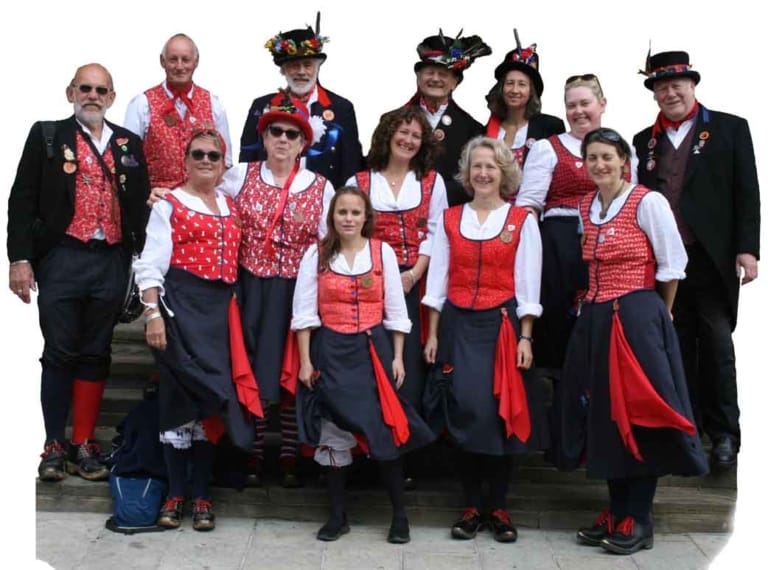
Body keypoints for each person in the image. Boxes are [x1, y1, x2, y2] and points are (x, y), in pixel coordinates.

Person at [561, 127, 707, 554]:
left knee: (641, 412)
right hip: (595, 317)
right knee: (605, 415)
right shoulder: (587, 206)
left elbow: (672, 264)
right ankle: (617, 509)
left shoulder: (648, 201)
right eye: (592, 158)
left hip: (637, 314)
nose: (599, 165)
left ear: (625, 160)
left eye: (607, 156)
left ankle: (639, 518)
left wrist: (658, 316)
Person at [7, 63, 150, 482]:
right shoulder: (47, 135)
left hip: (110, 258)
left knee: (96, 351)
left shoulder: (128, 142)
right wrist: (20, 258)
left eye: (101, 90)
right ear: (70, 92)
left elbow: (140, 200)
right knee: (59, 351)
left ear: (112, 97)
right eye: (85, 88)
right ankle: (54, 444)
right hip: (63, 256)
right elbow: (22, 198)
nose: (92, 96)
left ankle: (84, 442)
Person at [634, 51, 760, 470]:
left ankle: (724, 434)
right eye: (661, 87)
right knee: (675, 344)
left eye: (677, 85)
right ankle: (686, 427)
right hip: (664, 262)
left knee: (718, 344)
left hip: (711, 257)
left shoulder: (730, 128)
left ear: (692, 86)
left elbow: (747, 191)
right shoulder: (643, 140)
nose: (670, 93)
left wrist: (748, 248)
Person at [134, 129, 261, 532]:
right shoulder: (168, 205)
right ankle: (175, 493)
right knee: (178, 401)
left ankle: (202, 493)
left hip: (220, 314)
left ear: (224, 164)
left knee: (211, 402)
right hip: (181, 309)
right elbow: (151, 263)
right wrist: (153, 315)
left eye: (213, 155)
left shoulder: (230, 204)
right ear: (185, 161)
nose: (206, 160)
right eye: (198, 154)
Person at [292, 187, 435, 544]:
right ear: (332, 216)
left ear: (366, 217)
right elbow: (304, 311)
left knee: (382, 428)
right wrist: (305, 361)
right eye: (342, 212)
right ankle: (337, 515)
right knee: (333, 429)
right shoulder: (316, 254)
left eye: (355, 212)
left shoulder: (382, 252)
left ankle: (399, 516)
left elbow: (395, 309)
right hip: (330, 351)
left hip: (372, 351)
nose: (349, 218)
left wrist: (398, 357)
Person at [422, 136, 547, 543]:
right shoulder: (450, 218)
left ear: (504, 171)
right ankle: (472, 504)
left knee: (497, 413)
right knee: (464, 408)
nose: (483, 173)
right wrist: (433, 333)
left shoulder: (521, 221)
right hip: (458, 325)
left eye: (491, 166)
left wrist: (526, 337)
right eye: (477, 165)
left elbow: (528, 283)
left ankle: (499, 506)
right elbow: (438, 278)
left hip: (502, 327)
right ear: (467, 172)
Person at [222, 94, 335, 487]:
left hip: (297, 291)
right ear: (264, 137)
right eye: (276, 132)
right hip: (251, 286)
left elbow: (329, 244)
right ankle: (253, 451)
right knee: (253, 364)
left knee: (292, 367)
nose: (283, 139)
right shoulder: (239, 176)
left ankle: (288, 453)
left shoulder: (321, 187)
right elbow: (210, 209)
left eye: (292, 134)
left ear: (304, 143)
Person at [239, 13, 363, 188]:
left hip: (324, 197)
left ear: (317, 68)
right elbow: (247, 159)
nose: (301, 72)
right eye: (294, 66)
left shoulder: (342, 108)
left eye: (308, 65)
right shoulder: (261, 106)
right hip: (269, 195)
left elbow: (351, 163)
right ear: (283, 70)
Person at [124, 33, 233, 188]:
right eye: (173, 59)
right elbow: (128, 159)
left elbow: (225, 161)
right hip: (158, 198)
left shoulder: (214, 103)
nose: (180, 66)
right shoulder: (141, 103)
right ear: (162, 61)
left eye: (185, 59)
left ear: (196, 61)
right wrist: (144, 194)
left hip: (202, 198)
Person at [403, 30, 492, 207]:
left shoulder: (472, 129)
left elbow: (474, 179)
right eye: (430, 72)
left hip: (451, 213)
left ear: (454, 82)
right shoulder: (393, 121)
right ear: (418, 77)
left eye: (443, 74)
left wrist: (433, 196)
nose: (435, 79)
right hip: (399, 210)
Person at [484, 30, 565, 170]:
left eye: (522, 84)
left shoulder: (550, 127)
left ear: (531, 91)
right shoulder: (485, 131)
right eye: (510, 83)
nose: (514, 90)